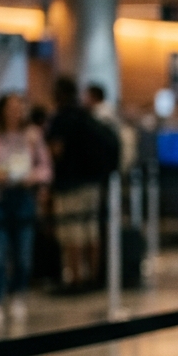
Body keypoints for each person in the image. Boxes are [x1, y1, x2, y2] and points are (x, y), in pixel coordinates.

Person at [0, 94, 52, 330]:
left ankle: (18, 294)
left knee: (23, 253)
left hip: (23, 197)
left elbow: (45, 168)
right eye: (11, 108)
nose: (15, 113)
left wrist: (34, 177)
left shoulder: (32, 136)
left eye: (19, 108)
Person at [45, 77, 117, 291]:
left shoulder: (61, 118)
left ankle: (75, 280)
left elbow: (55, 151)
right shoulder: (86, 115)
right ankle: (93, 277)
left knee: (71, 233)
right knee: (90, 231)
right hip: (91, 183)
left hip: (70, 185)